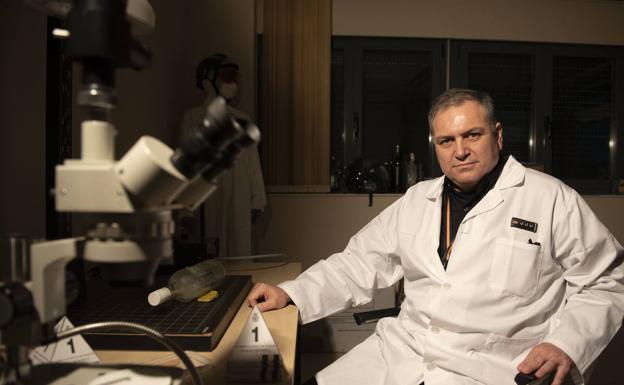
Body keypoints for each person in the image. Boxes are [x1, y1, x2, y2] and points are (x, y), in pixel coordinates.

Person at [246, 88, 624, 385]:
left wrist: (567, 344)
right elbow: (359, 263)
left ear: (498, 134)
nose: (460, 151)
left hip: (491, 370)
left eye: (472, 135)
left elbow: (609, 281)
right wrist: (292, 293)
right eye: (446, 141)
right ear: (435, 145)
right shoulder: (417, 199)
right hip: (402, 355)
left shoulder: (550, 198)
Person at [179, 54, 266, 258]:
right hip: (208, 196)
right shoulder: (192, 119)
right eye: (227, 76)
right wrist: (185, 210)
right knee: (209, 250)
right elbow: (186, 165)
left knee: (238, 249)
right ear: (209, 79)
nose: (233, 84)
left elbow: (252, 162)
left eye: (234, 77)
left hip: (239, 193)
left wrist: (258, 201)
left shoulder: (242, 119)